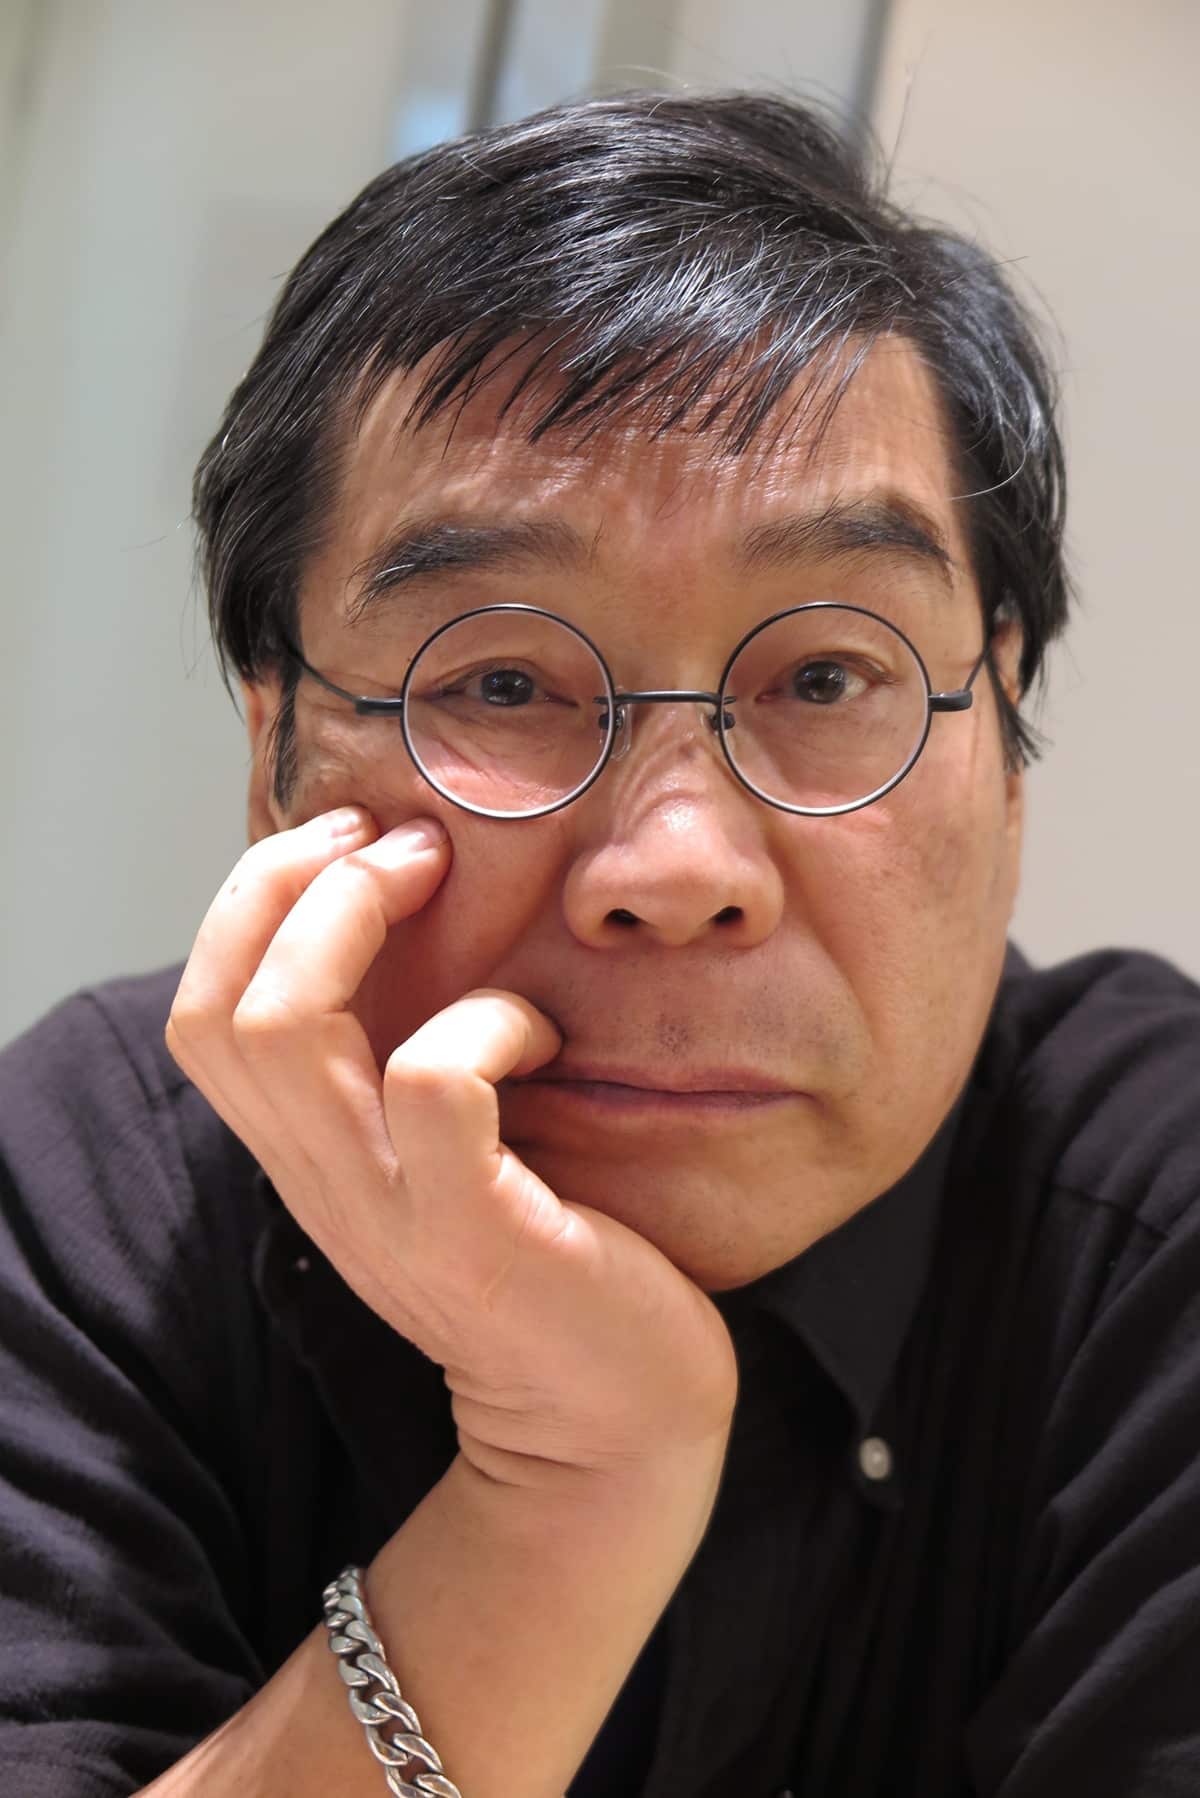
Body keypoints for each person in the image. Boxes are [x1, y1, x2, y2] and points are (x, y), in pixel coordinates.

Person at [1, 90, 1197, 1798]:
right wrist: (571, 1487)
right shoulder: (100, 1196)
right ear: (275, 755)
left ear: (1004, 735)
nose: (679, 865)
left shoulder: (1155, 1235)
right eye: (501, 681)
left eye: (828, 676)